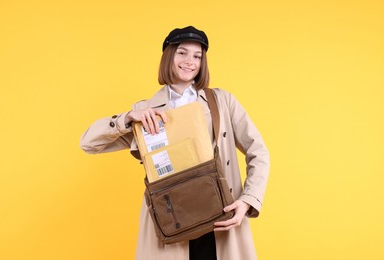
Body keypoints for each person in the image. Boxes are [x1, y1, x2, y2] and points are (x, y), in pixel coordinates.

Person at [80, 25, 270, 260]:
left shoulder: (222, 101)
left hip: (221, 217)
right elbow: (88, 143)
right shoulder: (145, 110)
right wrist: (126, 119)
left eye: (197, 56)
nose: (190, 61)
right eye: (182, 52)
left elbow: (258, 151)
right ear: (169, 56)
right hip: (171, 220)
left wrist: (247, 201)